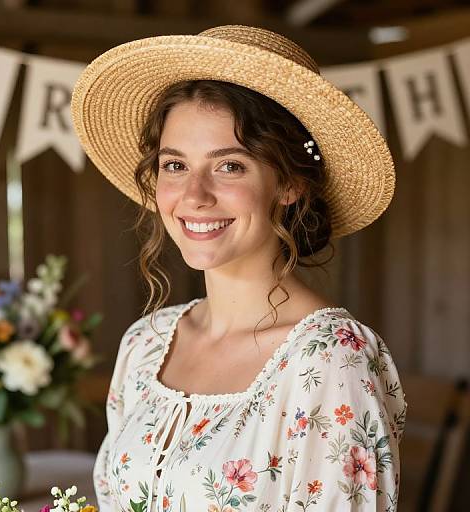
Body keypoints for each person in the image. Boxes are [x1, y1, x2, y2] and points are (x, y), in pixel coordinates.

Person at [71, 25, 407, 512]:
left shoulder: (333, 360)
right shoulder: (145, 344)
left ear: (290, 182)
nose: (194, 196)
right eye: (175, 165)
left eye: (229, 166)